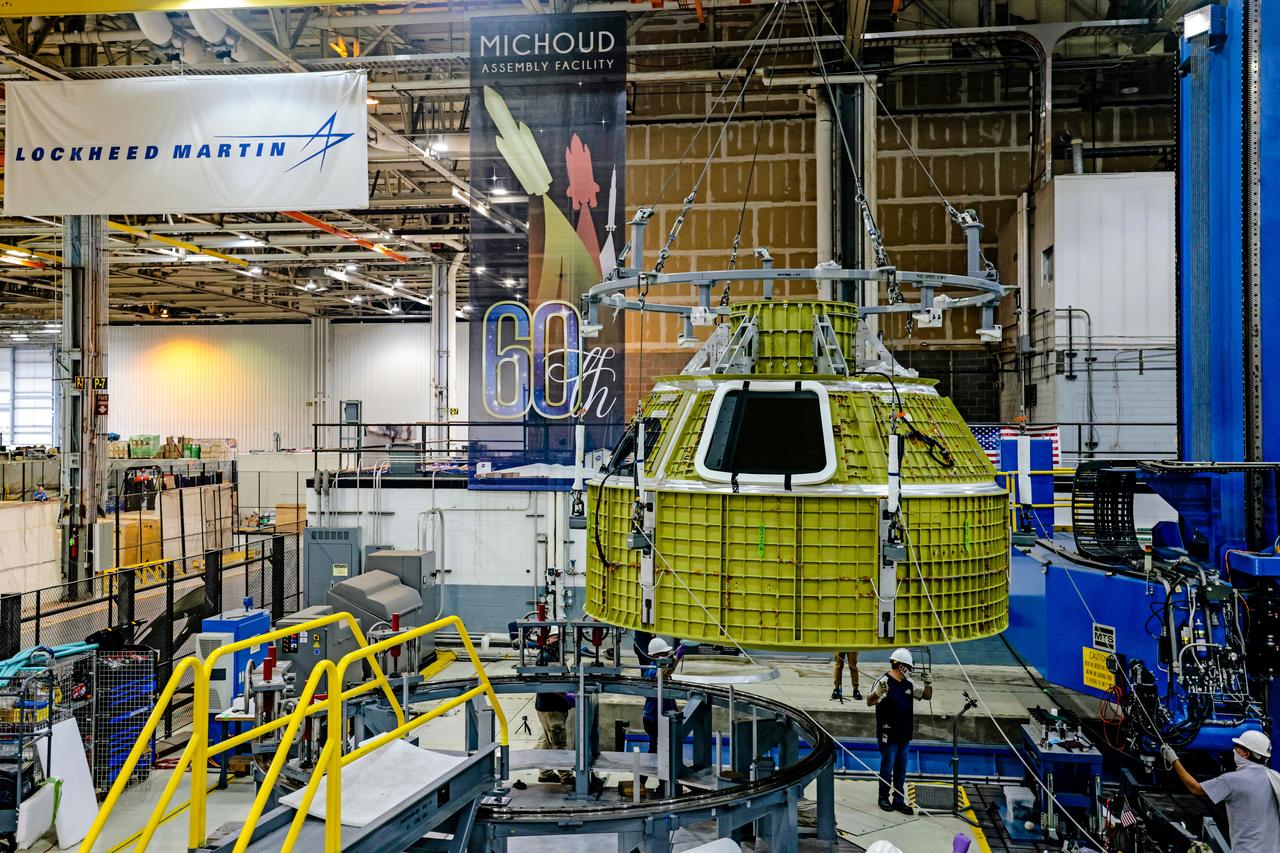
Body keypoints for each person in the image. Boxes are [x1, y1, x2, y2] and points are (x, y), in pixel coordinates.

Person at [1163, 729, 1280, 853]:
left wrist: (1174, 760)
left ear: (1246, 754)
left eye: (1237, 747)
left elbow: (1195, 788)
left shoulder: (1232, 780)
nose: (1234, 750)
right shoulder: (1275, 777)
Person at [867, 647, 932, 814]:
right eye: (908, 667)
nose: (910, 670)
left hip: (904, 734)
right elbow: (869, 701)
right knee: (887, 767)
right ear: (900, 665)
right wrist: (878, 692)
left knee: (901, 769)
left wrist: (928, 684)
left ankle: (898, 799)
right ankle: (883, 797)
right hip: (888, 734)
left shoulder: (908, 683)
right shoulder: (883, 681)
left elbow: (926, 696)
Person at [641, 636, 682, 796]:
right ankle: (660, 785)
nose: (666, 656)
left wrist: (677, 657)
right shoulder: (650, 670)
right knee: (659, 753)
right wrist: (675, 658)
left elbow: (667, 674)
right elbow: (661, 675)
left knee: (657, 751)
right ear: (654, 656)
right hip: (653, 719)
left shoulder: (662, 667)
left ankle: (648, 782)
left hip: (662, 716)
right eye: (663, 654)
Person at [533, 626, 573, 784]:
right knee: (558, 742)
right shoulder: (545, 657)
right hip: (551, 707)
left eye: (559, 637)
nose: (558, 640)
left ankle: (545, 773)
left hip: (552, 706)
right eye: (555, 637)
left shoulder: (555, 654)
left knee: (547, 741)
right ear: (547, 639)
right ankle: (566, 776)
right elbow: (550, 684)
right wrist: (567, 696)